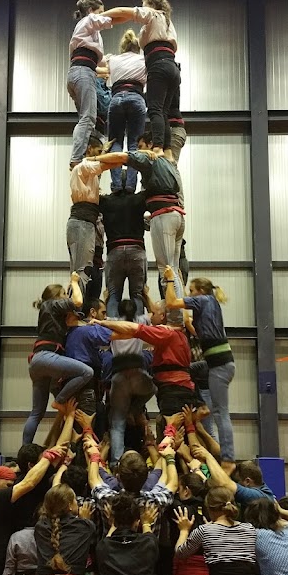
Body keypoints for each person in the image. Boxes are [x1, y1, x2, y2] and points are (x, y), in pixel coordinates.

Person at [165, 273, 235, 471]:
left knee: (221, 413)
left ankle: (228, 459)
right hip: (215, 363)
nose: (191, 295)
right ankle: (202, 405)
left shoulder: (203, 299)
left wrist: (170, 280)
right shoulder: (210, 304)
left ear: (201, 291)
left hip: (220, 365)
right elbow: (196, 331)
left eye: (192, 291)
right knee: (187, 371)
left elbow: (171, 302)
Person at [103, 0, 181, 154]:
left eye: (144, 5)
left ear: (151, 6)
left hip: (158, 65)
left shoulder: (153, 14)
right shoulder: (168, 22)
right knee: (163, 112)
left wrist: (99, 17)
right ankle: (167, 151)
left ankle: (158, 148)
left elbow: (123, 11)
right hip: (172, 67)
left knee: (155, 110)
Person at [23, 275, 94, 445]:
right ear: (56, 296)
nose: (65, 297)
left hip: (36, 363)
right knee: (87, 372)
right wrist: (75, 282)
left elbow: (72, 320)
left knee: (36, 413)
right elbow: (77, 301)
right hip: (48, 357)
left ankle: (24, 451)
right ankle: (60, 400)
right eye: (63, 294)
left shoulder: (48, 311)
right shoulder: (53, 304)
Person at [125, 139, 185, 313]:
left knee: (166, 271)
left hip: (164, 215)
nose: (139, 150)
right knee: (173, 269)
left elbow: (127, 156)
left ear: (151, 145)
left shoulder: (152, 161)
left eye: (141, 147)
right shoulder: (169, 163)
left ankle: (176, 317)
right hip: (177, 215)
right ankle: (179, 315)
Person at [67, 138, 131, 293]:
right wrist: (130, 158)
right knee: (81, 271)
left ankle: (77, 308)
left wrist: (103, 152)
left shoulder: (90, 174)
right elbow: (108, 164)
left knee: (82, 270)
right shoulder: (84, 165)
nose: (100, 156)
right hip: (82, 221)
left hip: (84, 221)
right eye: (97, 151)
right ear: (89, 149)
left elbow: (102, 168)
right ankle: (74, 309)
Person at [67, 0, 114, 167]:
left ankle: (80, 154)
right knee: (88, 118)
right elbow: (110, 19)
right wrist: (132, 14)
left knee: (84, 120)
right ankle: (76, 158)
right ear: (92, 11)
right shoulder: (88, 20)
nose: (102, 15)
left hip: (78, 73)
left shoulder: (90, 33)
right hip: (83, 73)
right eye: (100, 12)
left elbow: (101, 64)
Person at [108, 300, 154, 464]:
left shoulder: (113, 322)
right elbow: (153, 313)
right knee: (152, 389)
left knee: (117, 422)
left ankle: (116, 462)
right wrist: (145, 295)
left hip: (119, 373)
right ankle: (133, 410)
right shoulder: (140, 320)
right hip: (137, 372)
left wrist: (108, 298)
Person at [101, 29, 147, 193]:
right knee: (134, 143)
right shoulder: (143, 59)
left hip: (116, 98)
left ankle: (116, 185)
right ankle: (130, 186)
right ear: (137, 47)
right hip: (136, 97)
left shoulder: (113, 59)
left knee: (115, 142)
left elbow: (100, 66)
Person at [99, 189, 148, 318]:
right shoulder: (139, 199)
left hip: (115, 249)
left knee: (113, 295)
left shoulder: (106, 201)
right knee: (137, 294)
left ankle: (113, 332)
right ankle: (138, 332)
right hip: (136, 248)